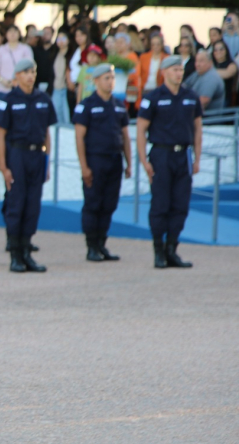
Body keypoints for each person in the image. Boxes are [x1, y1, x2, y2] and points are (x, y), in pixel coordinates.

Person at [136, 56, 203, 268]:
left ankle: (172, 249)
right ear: (164, 72)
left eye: (180, 69)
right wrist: (143, 161)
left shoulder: (191, 96)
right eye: (174, 69)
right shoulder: (153, 97)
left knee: (180, 205)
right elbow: (140, 130)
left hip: (183, 155)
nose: (179, 73)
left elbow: (198, 129)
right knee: (160, 205)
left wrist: (197, 158)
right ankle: (158, 251)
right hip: (161, 155)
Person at [0, 60, 55, 272]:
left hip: (37, 155)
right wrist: (3, 166)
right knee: (16, 204)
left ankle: (27, 252)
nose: (30, 76)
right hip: (17, 155)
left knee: (33, 205)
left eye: (33, 72)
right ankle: (15, 255)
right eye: (26, 72)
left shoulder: (43, 99)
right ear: (17, 75)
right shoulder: (8, 100)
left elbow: (47, 133)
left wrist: (47, 162)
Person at [73, 63, 133, 261]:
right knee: (93, 204)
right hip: (95, 160)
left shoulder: (118, 105)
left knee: (109, 204)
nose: (110, 82)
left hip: (114, 160)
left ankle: (102, 244)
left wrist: (129, 163)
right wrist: (84, 167)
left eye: (112, 78)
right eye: (106, 78)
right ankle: (91, 246)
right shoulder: (86, 105)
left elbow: (125, 136)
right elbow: (79, 137)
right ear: (96, 81)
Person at [0, 25, 33, 96]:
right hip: (2, 88)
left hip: (20, 88)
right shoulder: (1, 49)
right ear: (6, 34)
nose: (12, 34)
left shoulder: (26, 49)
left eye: (15, 31)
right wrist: (3, 81)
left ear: (19, 34)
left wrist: (18, 81)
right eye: (10, 31)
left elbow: (30, 67)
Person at [138, 33, 166, 104]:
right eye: (153, 44)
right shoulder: (144, 57)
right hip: (145, 90)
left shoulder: (166, 58)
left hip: (159, 90)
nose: (155, 47)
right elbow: (139, 74)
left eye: (158, 44)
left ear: (162, 45)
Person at [50, 31, 71, 123]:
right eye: (58, 39)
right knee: (56, 116)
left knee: (67, 117)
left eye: (63, 38)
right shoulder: (54, 54)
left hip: (67, 90)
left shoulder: (72, 54)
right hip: (56, 89)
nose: (61, 41)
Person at [210, 40, 238, 106]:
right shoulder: (211, 65)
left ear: (226, 50)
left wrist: (209, 72)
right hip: (211, 98)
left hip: (226, 99)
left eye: (221, 49)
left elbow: (227, 74)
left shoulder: (232, 65)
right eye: (215, 50)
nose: (218, 52)